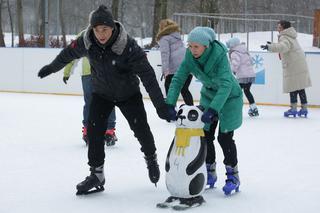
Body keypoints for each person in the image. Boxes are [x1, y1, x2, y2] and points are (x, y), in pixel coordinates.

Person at [37, 5, 171, 195]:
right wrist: (51, 68)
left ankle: (151, 158)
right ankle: (97, 174)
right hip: (102, 94)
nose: (100, 34)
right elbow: (67, 54)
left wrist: (160, 106)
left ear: (113, 28)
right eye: (97, 29)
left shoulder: (128, 46)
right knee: (94, 131)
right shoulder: (87, 41)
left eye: (105, 29)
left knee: (141, 130)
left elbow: (148, 76)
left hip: (128, 94)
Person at [166, 27, 243, 195]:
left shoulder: (219, 56)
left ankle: (233, 175)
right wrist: (170, 103)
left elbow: (226, 84)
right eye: (190, 46)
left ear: (206, 46)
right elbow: (178, 78)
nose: (192, 50)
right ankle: (210, 171)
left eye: (196, 47)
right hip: (209, 96)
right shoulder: (189, 57)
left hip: (229, 97)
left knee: (225, 137)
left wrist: (214, 109)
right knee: (206, 136)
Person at [63, 31, 118, 146]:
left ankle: (88, 130)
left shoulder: (84, 34)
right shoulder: (109, 33)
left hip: (89, 74)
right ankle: (109, 130)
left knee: (90, 102)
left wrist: (67, 72)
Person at [261, 20, 312, 117]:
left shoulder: (284, 36)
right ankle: (304, 109)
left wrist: (270, 47)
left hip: (293, 65)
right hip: (299, 63)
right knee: (300, 86)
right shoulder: (290, 36)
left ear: (284, 28)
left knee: (293, 86)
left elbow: (283, 47)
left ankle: (293, 109)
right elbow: (285, 46)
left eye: (279, 27)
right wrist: (273, 44)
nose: (278, 29)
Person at [156, 19, 194, 105]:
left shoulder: (164, 38)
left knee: (169, 88)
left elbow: (165, 54)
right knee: (184, 89)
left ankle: (171, 109)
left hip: (174, 69)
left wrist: (165, 70)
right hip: (187, 65)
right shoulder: (177, 36)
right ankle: (192, 109)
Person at [226, 37, 259, 117]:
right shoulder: (244, 51)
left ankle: (232, 109)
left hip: (242, 76)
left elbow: (235, 64)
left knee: (235, 92)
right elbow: (251, 62)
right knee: (247, 91)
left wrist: (231, 72)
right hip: (250, 75)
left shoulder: (235, 52)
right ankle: (254, 108)